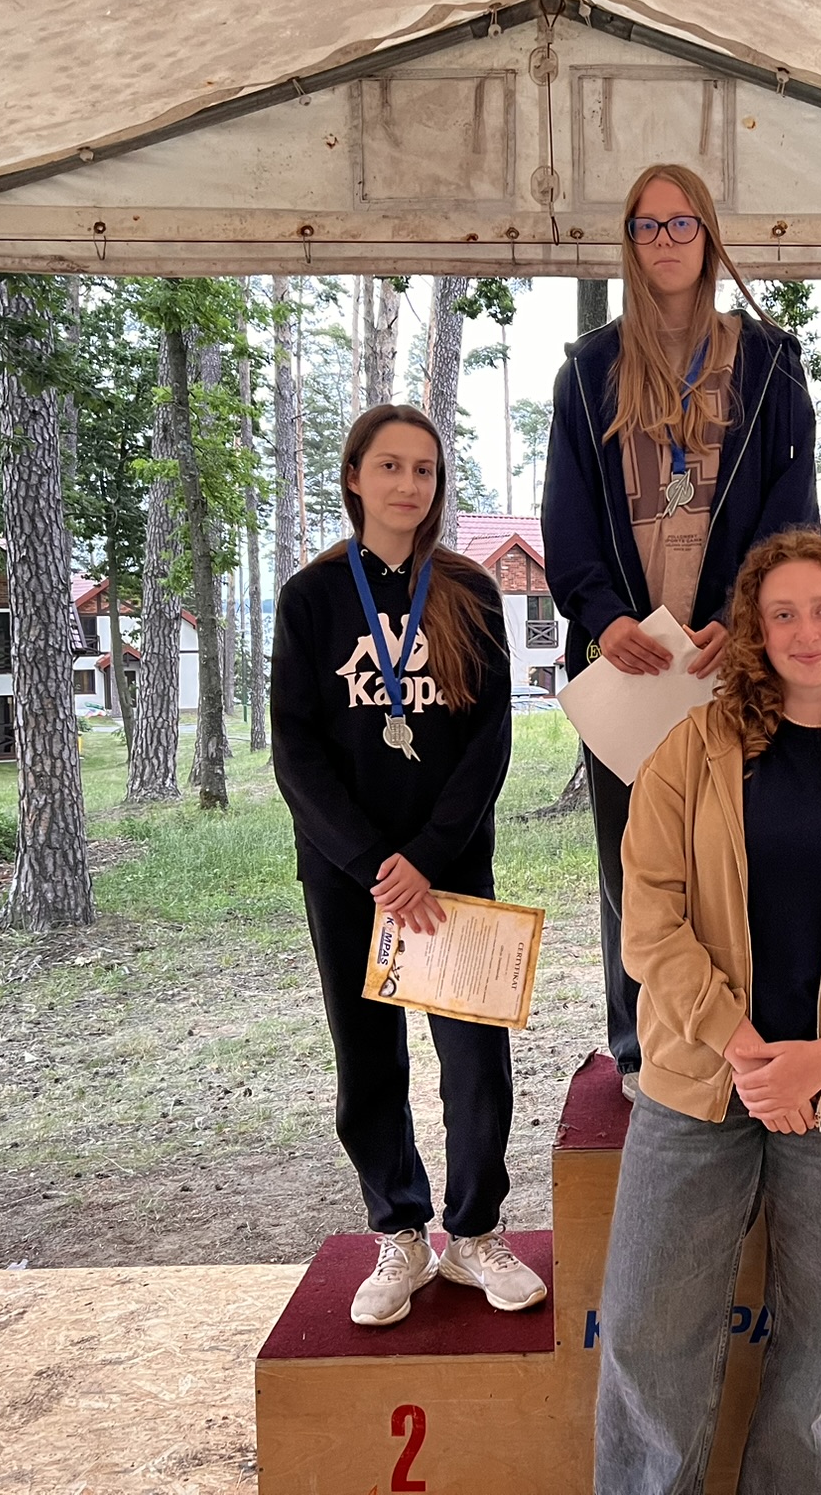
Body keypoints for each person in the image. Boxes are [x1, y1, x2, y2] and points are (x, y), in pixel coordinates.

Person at [594, 531, 821, 1495]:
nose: (807, 632)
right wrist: (749, 1051)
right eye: (783, 613)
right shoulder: (691, 751)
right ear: (755, 632)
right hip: (700, 1079)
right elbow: (649, 921)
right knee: (647, 1332)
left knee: (819, 1348)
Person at [543, 161, 818, 1102]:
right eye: (646, 226)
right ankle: (639, 1049)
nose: (664, 241)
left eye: (681, 223)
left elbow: (793, 509)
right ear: (628, 241)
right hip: (631, 663)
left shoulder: (770, 362)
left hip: (728, 656)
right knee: (634, 864)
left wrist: (745, 615)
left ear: (709, 235)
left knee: (741, 849)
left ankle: (747, 1036)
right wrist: (602, 615)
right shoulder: (589, 370)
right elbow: (566, 513)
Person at [271, 403, 546, 1328]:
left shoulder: (468, 590)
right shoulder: (312, 597)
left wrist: (426, 857)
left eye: (424, 469)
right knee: (367, 1058)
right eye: (389, 466)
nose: (408, 484)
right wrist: (371, 862)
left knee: (474, 1060)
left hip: (450, 864)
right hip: (348, 873)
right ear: (354, 477)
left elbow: (489, 739)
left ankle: (475, 1233)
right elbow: (295, 747)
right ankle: (400, 1232)